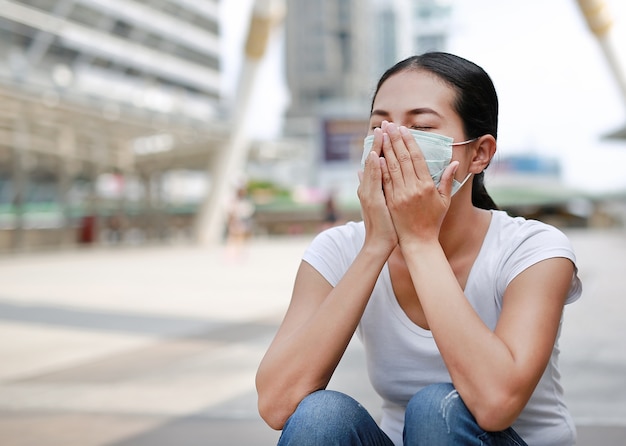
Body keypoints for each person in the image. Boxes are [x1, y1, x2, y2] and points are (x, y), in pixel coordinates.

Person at [255, 52, 582, 446]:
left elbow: (496, 403)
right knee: (320, 417)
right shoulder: (339, 249)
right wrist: (377, 246)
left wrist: (420, 242)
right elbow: (277, 404)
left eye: (421, 126)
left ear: (478, 153)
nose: (393, 141)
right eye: (380, 126)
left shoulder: (532, 249)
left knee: (436, 408)